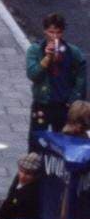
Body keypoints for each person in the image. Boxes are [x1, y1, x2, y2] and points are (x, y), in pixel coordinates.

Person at [27, 13, 87, 149]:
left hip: (63, 104)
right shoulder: (35, 50)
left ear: (63, 32)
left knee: (63, 143)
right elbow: (33, 75)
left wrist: (73, 102)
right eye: (51, 32)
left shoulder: (73, 52)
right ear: (45, 31)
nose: (54, 37)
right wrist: (47, 58)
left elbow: (81, 79)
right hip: (42, 103)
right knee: (35, 142)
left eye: (58, 33)